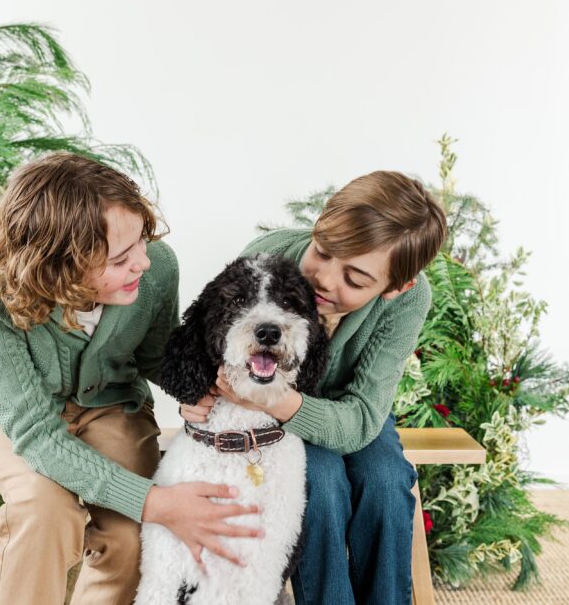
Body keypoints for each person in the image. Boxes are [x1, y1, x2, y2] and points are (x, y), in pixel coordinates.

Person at [0, 153, 262, 604]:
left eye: (142, 240)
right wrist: (157, 501)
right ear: (58, 267)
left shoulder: (156, 267)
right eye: (121, 258)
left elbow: (155, 356)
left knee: (131, 531)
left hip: (111, 404)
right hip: (10, 412)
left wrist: (199, 389)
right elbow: (36, 435)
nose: (142, 262)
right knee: (43, 513)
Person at [181, 170, 448, 604]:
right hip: (263, 409)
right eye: (322, 252)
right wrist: (203, 393)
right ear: (320, 223)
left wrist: (280, 400)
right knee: (319, 480)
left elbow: (361, 421)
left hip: (349, 410)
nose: (325, 279)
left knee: (385, 479)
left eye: (356, 280)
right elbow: (214, 341)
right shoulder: (267, 256)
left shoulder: (411, 300)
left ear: (397, 288)